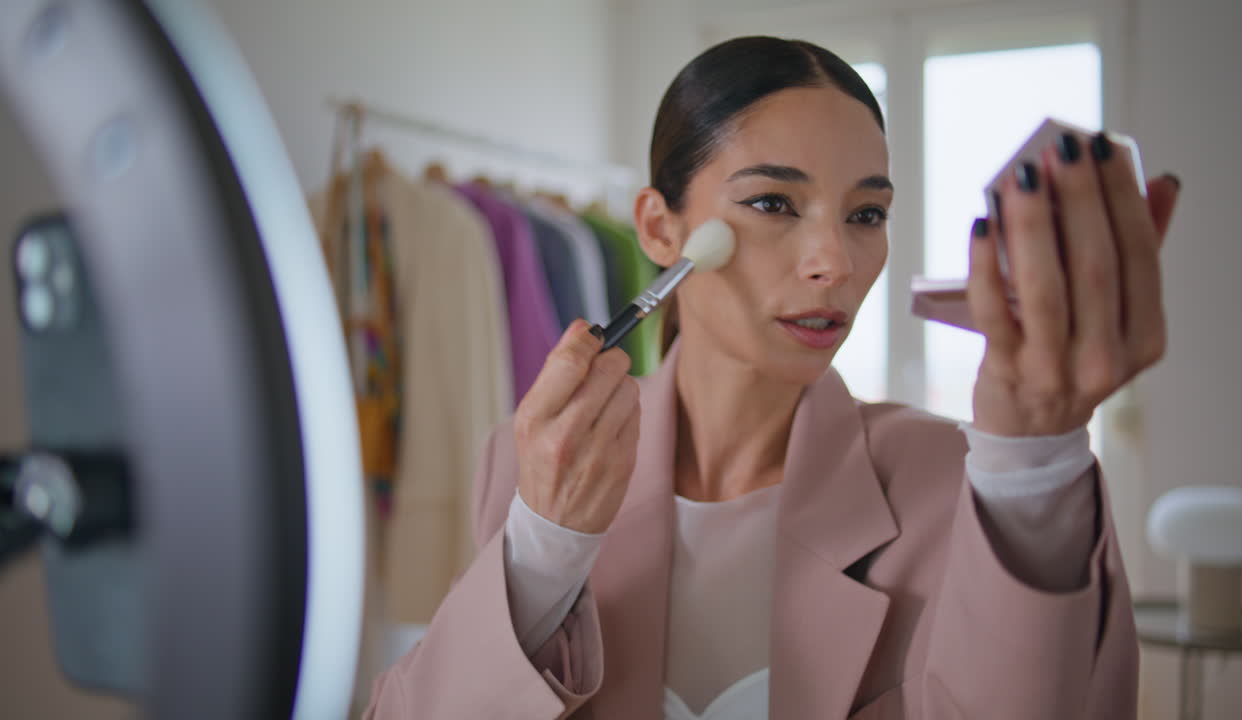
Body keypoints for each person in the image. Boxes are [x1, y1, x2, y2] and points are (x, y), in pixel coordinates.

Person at [363, 36, 1180, 719]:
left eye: (865, 215)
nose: (834, 262)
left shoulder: (973, 488)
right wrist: (542, 553)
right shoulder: (528, 464)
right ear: (658, 225)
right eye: (773, 205)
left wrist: (1032, 464)